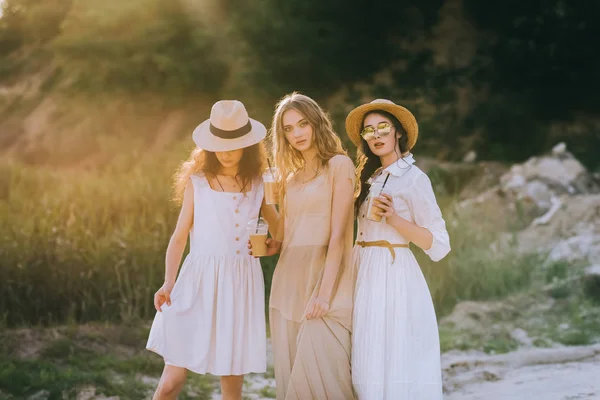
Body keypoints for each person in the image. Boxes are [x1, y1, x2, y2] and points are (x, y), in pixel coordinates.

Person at [146, 100, 277, 400]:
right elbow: (179, 237)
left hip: (240, 283)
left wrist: (270, 247)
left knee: (232, 387)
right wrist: (168, 282)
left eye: (235, 144)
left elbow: (280, 232)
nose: (227, 151)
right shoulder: (199, 182)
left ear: (248, 146)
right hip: (197, 281)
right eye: (220, 144)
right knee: (171, 382)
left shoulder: (258, 184)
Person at [251, 92, 356, 399]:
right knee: (292, 376)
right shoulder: (291, 179)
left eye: (302, 124)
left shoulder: (339, 165)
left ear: (316, 124)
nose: (296, 133)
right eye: (288, 128)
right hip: (288, 281)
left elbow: (339, 235)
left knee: (328, 375)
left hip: (325, 279)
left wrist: (324, 294)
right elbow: (284, 234)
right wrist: (263, 213)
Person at [346, 99, 451, 399]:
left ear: (398, 133)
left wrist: (394, 219)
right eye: (369, 130)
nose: (376, 135)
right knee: (365, 353)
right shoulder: (370, 178)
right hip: (362, 267)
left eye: (383, 127)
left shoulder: (415, 178)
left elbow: (439, 243)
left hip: (392, 272)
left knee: (391, 355)